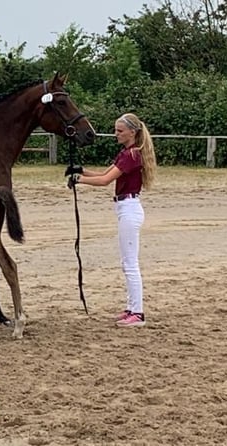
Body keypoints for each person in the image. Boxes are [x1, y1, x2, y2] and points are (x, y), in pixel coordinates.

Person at [67, 112, 157, 327]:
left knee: (130, 263)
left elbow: (105, 181)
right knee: (127, 262)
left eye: (119, 131)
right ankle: (131, 308)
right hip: (124, 207)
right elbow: (104, 173)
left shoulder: (132, 156)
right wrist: (80, 170)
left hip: (129, 208)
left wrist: (79, 180)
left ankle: (137, 313)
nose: (115, 134)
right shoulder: (126, 153)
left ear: (132, 133)